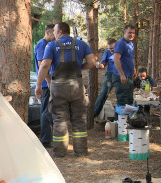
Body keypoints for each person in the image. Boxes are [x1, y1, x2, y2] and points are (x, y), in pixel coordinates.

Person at [35, 22, 96, 157]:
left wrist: (38, 85)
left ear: (60, 32)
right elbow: (92, 62)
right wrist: (81, 67)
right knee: (79, 119)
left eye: (55, 31)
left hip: (58, 86)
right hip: (77, 86)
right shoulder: (82, 44)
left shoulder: (51, 45)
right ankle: (81, 151)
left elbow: (44, 65)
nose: (54, 34)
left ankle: (60, 152)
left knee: (59, 119)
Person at [34, 24, 55, 148]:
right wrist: (48, 80)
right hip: (45, 84)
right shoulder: (42, 44)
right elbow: (42, 64)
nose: (55, 36)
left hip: (46, 83)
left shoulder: (47, 44)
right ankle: (45, 140)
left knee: (47, 110)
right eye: (53, 33)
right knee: (46, 110)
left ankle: (47, 137)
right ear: (47, 33)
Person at [112, 25, 136, 107]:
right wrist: (122, 75)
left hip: (129, 77)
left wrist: (134, 69)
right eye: (130, 32)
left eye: (133, 33)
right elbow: (116, 59)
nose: (132, 35)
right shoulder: (120, 43)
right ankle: (118, 119)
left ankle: (126, 119)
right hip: (121, 77)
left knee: (129, 101)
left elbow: (132, 57)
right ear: (124, 32)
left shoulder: (131, 44)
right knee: (122, 102)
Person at [94, 39, 117, 117]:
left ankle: (118, 117)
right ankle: (94, 114)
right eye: (109, 48)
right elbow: (103, 64)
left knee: (120, 95)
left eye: (112, 48)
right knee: (103, 94)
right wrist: (99, 65)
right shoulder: (107, 52)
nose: (111, 50)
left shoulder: (121, 52)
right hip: (110, 74)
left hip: (120, 75)